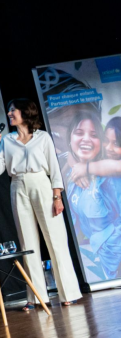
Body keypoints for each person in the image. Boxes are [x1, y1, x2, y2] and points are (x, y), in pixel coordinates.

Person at [0, 99, 83, 307]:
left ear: (25, 112)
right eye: (9, 111)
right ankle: (36, 297)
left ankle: (68, 293)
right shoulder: (8, 140)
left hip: (41, 183)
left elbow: (54, 168)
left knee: (56, 240)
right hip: (17, 185)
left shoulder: (43, 137)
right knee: (27, 243)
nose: (9, 114)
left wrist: (57, 196)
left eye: (13, 110)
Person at [57, 112, 121, 280]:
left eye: (94, 135)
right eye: (79, 133)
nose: (86, 139)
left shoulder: (111, 175)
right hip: (90, 266)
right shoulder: (68, 171)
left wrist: (111, 253)